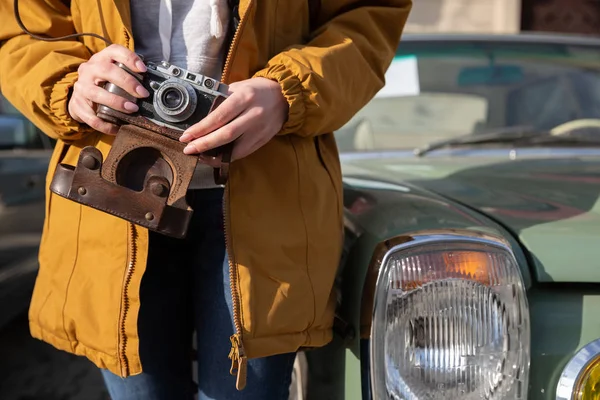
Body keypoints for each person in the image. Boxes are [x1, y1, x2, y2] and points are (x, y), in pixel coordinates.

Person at [0, 0, 412, 399]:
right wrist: (69, 81)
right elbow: (17, 27)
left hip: (266, 196)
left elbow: (370, 15)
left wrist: (288, 91)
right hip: (114, 197)